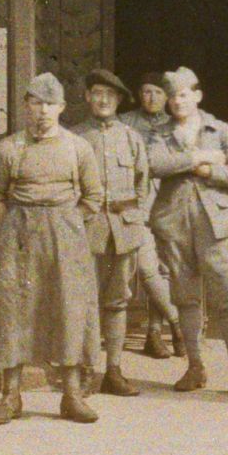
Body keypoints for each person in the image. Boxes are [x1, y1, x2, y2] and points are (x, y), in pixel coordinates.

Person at [0, 72, 106, 425]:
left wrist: (67, 225)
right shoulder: (9, 148)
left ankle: (71, 395)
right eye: (35, 103)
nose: (42, 111)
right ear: (26, 106)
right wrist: (17, 226)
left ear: (62, 108)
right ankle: (11, 395)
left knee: (70, 309)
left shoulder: (78, 147)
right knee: (12, 309)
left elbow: (94, 197)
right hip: (18, 237)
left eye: (50, 104)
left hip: (66, 237)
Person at [146, 67, 228, 397]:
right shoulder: (158, 134)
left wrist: (209, 171)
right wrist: (199, 156)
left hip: (217, 225)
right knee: (185, 297)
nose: (177, 102)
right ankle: (195, 367)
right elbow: (153, 165)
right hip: (175, 224)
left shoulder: (219, 130)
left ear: (197, 95)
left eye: (183, 95)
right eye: (172, 96)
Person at [72, 69, 153, 397]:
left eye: (110, 94)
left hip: (124, 230)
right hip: (88, 230)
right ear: (88, 97)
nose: (103, 100)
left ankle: (114, 370)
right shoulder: (76, 138)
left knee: (118, 301)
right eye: (97, 93)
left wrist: (137, 220)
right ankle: (87, 368)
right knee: (86, 300)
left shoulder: (131, 138)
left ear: (119, 100)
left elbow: (143, 183)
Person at [117, 71, 184, 360]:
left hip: (168, 202)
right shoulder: (124, 123)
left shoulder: (177, 127)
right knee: (147, 268)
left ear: (167, 97)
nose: (152, 97)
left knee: (165, 268)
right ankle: (173, 325)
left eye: (158, 92)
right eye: (146, 91)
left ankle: (154, 333)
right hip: (137, 202)